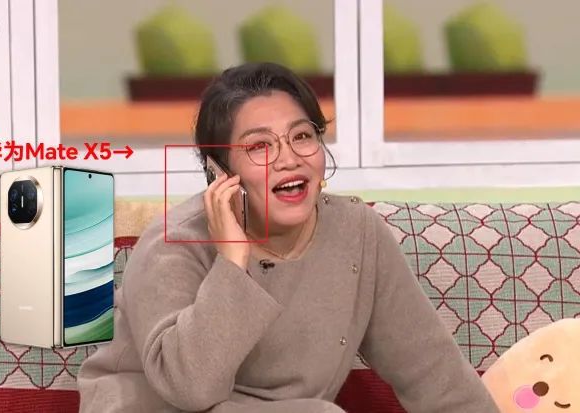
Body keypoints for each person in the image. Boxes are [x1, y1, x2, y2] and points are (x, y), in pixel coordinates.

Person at [77, 62, 500, 413]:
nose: (289, 159)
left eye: (302, 136)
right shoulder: (172, 243)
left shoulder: (358, 233)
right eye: (259, 147)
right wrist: (232, 260)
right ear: (219, 170)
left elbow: (434, 374)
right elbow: (189, 389)